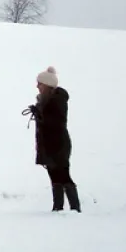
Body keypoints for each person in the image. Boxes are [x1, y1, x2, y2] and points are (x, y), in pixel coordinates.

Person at [25, 66, 81, 212]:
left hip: (59, 144)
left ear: (47, 85)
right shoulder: (44, 101)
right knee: (54, 176)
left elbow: (57, 123)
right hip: (48, 145)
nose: (37, 86)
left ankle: (75, 208)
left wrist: (40, 115)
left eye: (40, 83)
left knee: (63, 175)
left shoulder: (58, 100)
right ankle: (58, 208)